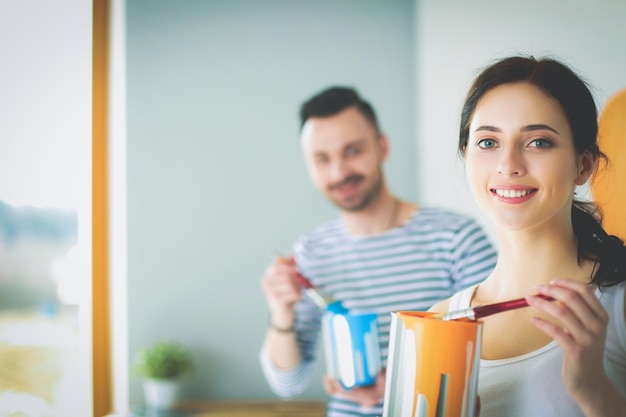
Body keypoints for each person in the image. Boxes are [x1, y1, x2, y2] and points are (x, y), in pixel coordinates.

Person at [259, 86, 498, 417]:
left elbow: (503, 355)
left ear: (381, 147)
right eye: (322, 159)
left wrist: (405, 383)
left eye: (352, 151)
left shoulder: (456, 237)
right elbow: (287, 385)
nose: (339, 172)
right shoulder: (311, 254)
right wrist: (280, 313)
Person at [429, 55, 626, 416]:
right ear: (466, 155)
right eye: (488, 142)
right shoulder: (439, 324)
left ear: (584, 165)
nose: (508, 164)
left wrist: (596, 393)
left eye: (538, 142)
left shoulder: (619, 303)